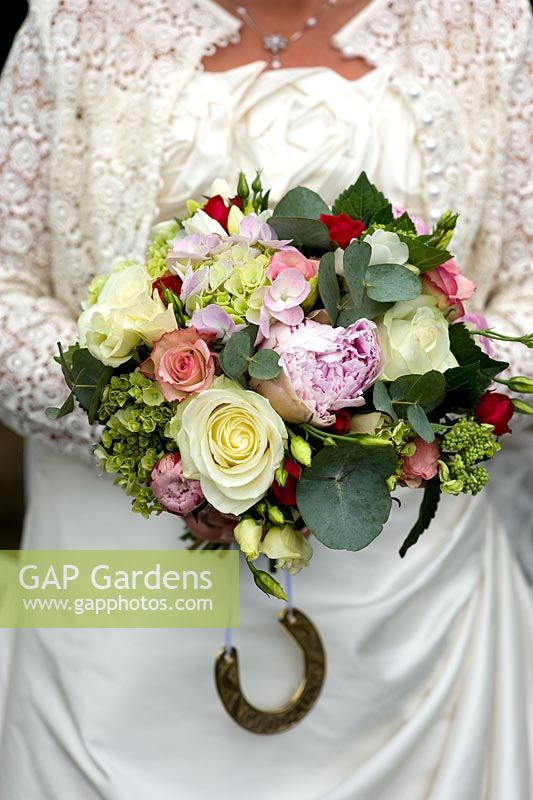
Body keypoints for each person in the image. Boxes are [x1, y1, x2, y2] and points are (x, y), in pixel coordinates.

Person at [0, 1, 532, 797]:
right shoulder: (71, 18)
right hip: (117, 576)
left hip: (405, 601)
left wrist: (384, 416)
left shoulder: (489, 23)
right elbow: (7, 286)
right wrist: (165, 432)